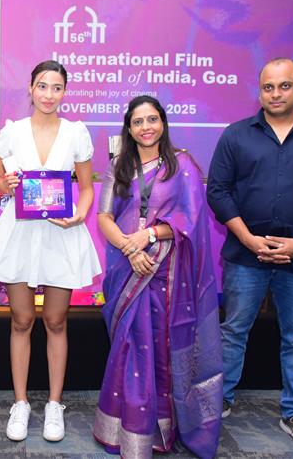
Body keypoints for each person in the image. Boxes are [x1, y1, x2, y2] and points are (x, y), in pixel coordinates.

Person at [207, 58, 293, 458]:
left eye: (285, 86)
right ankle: (221, 401)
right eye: (269, 87)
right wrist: (249, 239)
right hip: (244, 255)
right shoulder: (236, 136)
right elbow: (218, 191)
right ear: (260, 90)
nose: (276, 94)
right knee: (233, 331)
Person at [0, 60, 101, 443]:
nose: (49, 94)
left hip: (61, 234)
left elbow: (86, 186)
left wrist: (80, 215)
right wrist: (6, 183)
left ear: (65, 92)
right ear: (30, 88)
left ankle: (54, 404)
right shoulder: (11, 133)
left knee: (57, 321)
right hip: (19, 233)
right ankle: (20, 402)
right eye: (43, 86)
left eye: (57, 87)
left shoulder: (76, 133)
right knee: (21, 319)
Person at [92, 95, 222, 458]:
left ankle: (160, 429)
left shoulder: (181, 165)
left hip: (167, 274)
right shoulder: (119, 164)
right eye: (138, 122)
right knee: (129, 348)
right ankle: (125, 429)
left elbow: (190, 219)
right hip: (127, 269)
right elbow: (104, 216)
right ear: (129, 128)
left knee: (160, 349)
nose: (146, 127)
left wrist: (149, 236)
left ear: (162, 123)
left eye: (152, 120)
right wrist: (131, 249)